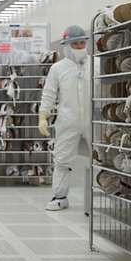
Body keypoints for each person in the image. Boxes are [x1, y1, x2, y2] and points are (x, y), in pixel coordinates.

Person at [39, 25, 90, 211]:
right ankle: (60, 197)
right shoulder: (58, 68)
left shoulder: (96, 64)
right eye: (75, 44)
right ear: (66, 46)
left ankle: (105, 193)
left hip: (94, 120)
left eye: (82, 43)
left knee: (102, 158)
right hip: (67, 120)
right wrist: (43, 116)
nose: (79, 47)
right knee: (62, 159)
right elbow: (49, 94)